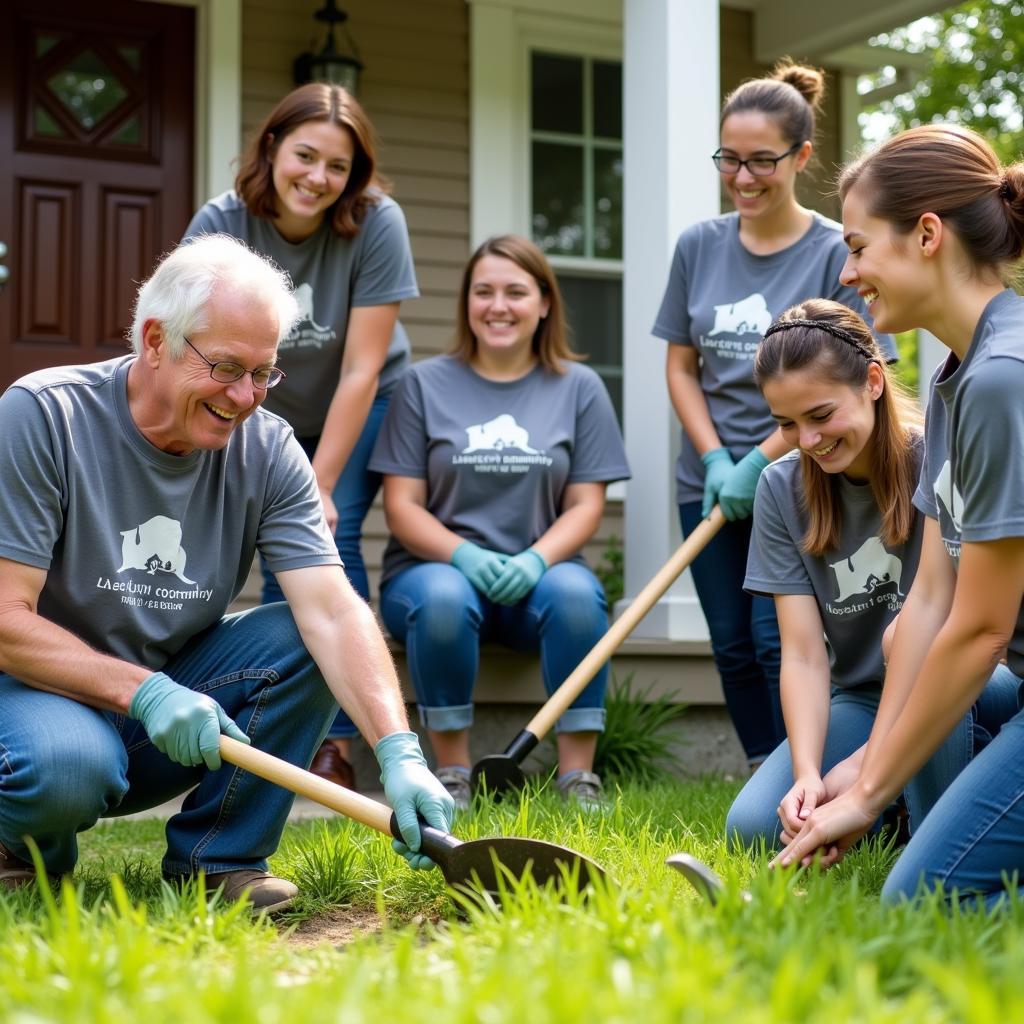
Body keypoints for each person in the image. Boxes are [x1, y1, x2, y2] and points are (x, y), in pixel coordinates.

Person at [0, 234, 453, 910]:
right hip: (35, 699)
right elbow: (7, 621)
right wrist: (144, 691)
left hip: (165, 712)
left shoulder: (268, 451)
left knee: (306, 637)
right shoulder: (44, 415)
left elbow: (331, 609)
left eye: (264, 373)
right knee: (66, 768)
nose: (245, 396)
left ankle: (220, 862)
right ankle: (27, 844)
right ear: (156, 341)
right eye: (226, 367)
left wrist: (398, 750)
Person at [773, 125, 1024, 908]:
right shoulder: (957, 375)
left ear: (926, 235)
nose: (847, 273)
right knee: (897, 638)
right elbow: (928, 602)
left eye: (857, 246)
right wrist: (863, 767)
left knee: (923, 902)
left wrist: (870, 792)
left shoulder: (1002, 379)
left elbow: (981, 631)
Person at [652, 60, 897, 771]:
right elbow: (679, 366)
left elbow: (845, 382)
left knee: (775, 636)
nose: (743, 176)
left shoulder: (833, 253)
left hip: (803, 466)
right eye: (729, 159)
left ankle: (804, 761)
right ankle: (767, 766)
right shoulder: (699, 245)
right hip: (708, 476)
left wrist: (764, 457)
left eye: (762, 160)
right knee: (728, 639)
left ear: (801, 157)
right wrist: (716, 459)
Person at [183, 83, 419, 790]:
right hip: (252, 395)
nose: (318, 178)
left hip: (360, 399)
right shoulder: (220, 222)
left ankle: (336, 748)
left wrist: (317, 480)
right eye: (305, 156)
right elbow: (199, 343)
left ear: (356, 174)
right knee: (244, 538)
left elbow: (362, 367)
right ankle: (240, 712)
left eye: (337, 166)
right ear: (272, 148)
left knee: (325, 541)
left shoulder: (377, 222)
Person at [724, 300, 1019, 849]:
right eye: (786, 424)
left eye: (820, 415)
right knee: (754, 827)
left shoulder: (940, 456)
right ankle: (899, 802)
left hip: (968, 679)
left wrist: (866, 768)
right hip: (864, 697)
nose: (808, 440)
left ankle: (928, 831)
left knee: (913, 644)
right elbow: (805, 655)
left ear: (874, 382)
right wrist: (810, 773)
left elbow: (965, 635)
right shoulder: (780, 489)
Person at [367, 235, 630, 810]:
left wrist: (537, 557)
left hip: (540, 573)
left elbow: (587, 503)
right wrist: (465, 555)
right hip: (432, 570)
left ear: (543, 303)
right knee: (441, 596)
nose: (498, 306)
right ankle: (453, 772)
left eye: (515, 291)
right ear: (467, 304)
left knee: (579, 597)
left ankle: (578, 777)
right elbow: (402, 505)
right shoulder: (423, 384)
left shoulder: (578, 388)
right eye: (483, 292)